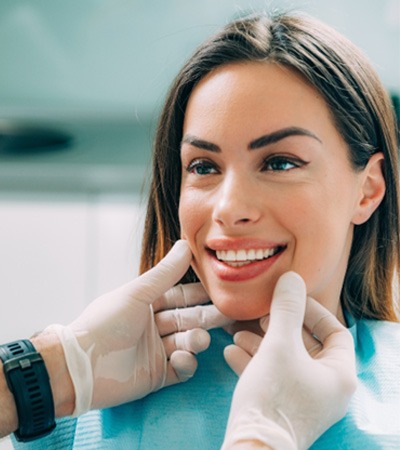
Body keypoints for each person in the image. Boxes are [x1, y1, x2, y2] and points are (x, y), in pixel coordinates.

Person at [2, 9, 399, 449]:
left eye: (280, 162)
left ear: (367, 190)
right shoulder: (79, 409)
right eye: (204, 166)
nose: (228, 208)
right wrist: (51, 370)